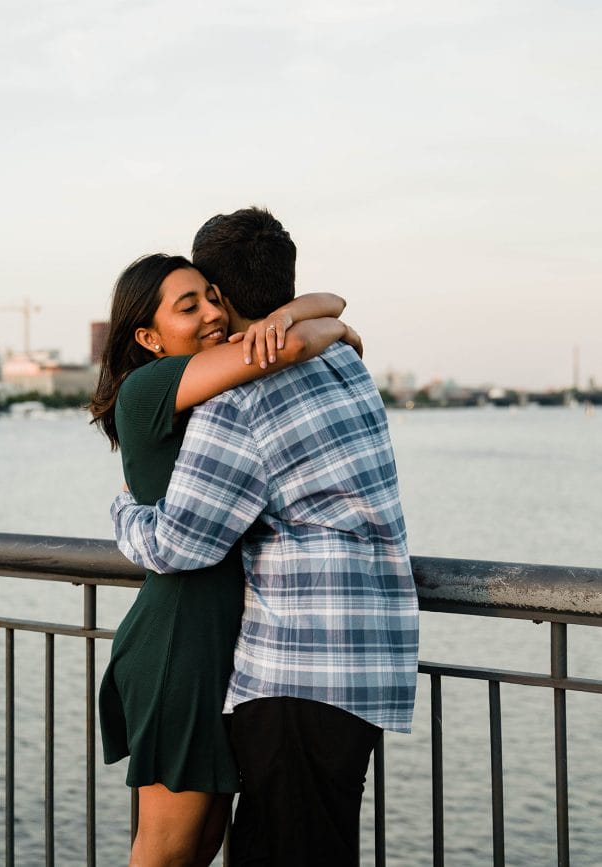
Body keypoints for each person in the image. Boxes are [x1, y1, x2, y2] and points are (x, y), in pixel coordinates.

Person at [111, 208, 419, 867]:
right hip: (325, 661)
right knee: (187, 850)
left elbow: (176, 543)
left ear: (221, 294)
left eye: (204, 299)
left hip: (292, 664)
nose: (206, 315)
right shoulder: (343, 364)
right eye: (185, 305)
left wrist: (124, 519)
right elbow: (334, 322)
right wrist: (326, 321)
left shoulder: (245, 391)